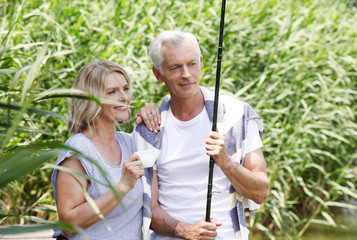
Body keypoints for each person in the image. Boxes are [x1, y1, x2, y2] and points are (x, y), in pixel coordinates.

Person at [133, 30, 270, 240]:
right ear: (158, 74)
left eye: (192, 63)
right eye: (175, 67)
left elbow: (261, 193)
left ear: (201, 63)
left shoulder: (237, 114)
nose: (186, 73)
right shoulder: (148, 130)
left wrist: (226, 162)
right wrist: (186, 231)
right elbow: (146, 209)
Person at [51, 59, 159, 240]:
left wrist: (154, 115)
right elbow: (69, 225)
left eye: (125, 88)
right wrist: (122, 187)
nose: (124, 97)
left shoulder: (130, 142)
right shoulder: (78, 150)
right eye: (112, 92)